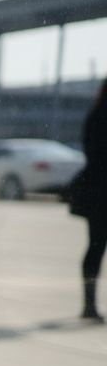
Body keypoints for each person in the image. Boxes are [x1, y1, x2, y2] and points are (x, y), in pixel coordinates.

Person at [74, 77, 107, 322]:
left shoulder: (94, 115)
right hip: (101, 191)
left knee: (95, 245)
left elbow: (89, 150)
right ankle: (89, 305)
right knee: (96, 246)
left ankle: (88, 303)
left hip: (95, 191)